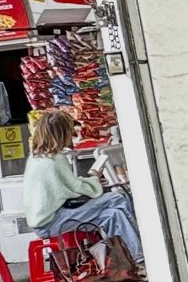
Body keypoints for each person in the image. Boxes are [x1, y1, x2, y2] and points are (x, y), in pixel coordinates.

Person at [23, 107, 142, 268]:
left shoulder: (36, 157)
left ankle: (132, 259)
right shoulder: (56, 159)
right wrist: (94, 178)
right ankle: (141, 252)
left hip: (44, 221)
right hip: (53, 220)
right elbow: (75, 187)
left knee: (113, 214)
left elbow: (62, 186)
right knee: (117, 198)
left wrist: (89, 182)